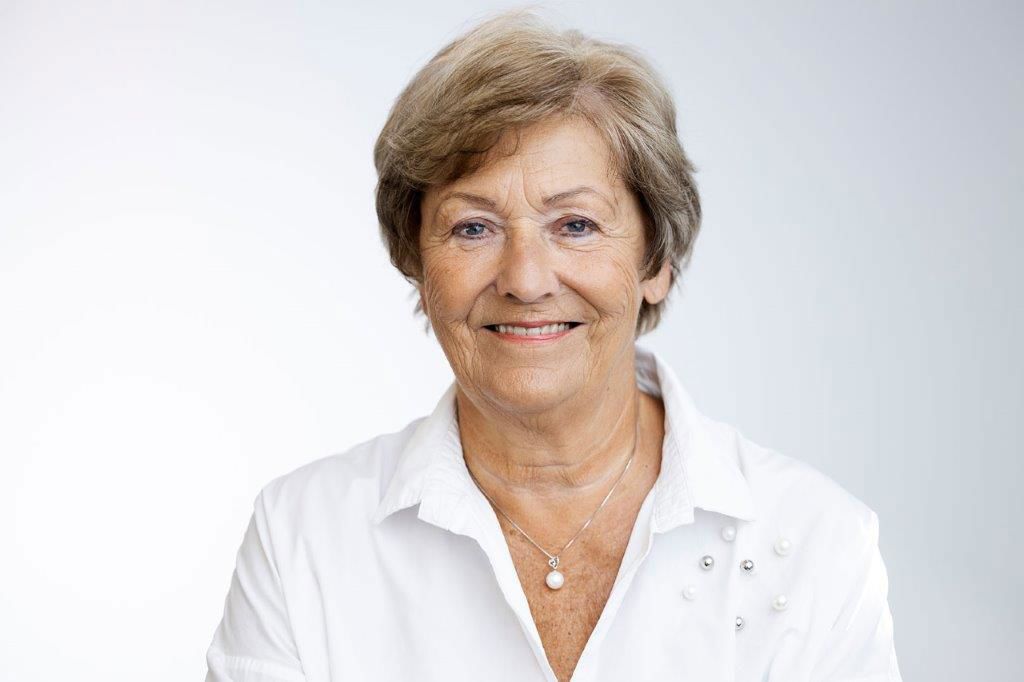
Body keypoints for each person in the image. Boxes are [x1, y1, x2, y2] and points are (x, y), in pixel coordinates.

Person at [205, 9, 902, 682]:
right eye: (473, 228)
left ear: (656, 261)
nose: (526, 280)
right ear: (416, 263)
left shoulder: (817, 542)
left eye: (575, 225)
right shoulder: (301, 539)